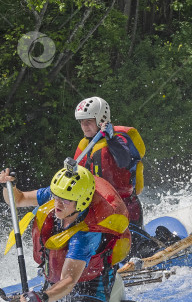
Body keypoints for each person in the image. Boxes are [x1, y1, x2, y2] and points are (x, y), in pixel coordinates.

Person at [0, 165, 131, 302]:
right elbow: (18, 199)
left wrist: (43, 297)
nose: (57, 204)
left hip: (91, 286)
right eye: (56, 197)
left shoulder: (85, 235)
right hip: (56, 281)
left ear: (81, 201)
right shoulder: (58, 196)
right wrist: (9, 187)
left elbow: (68, 280)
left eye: (65, 200)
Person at [73, 97, 173, 257]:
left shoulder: (118, 138)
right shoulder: (85, 146)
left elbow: (124, 160)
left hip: (126, 206)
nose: (84, 126)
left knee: (137, 250)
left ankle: (162, 241)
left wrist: (111, 139)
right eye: (82, 122)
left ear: (101, 119)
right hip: (100, 208)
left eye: (88, 122)